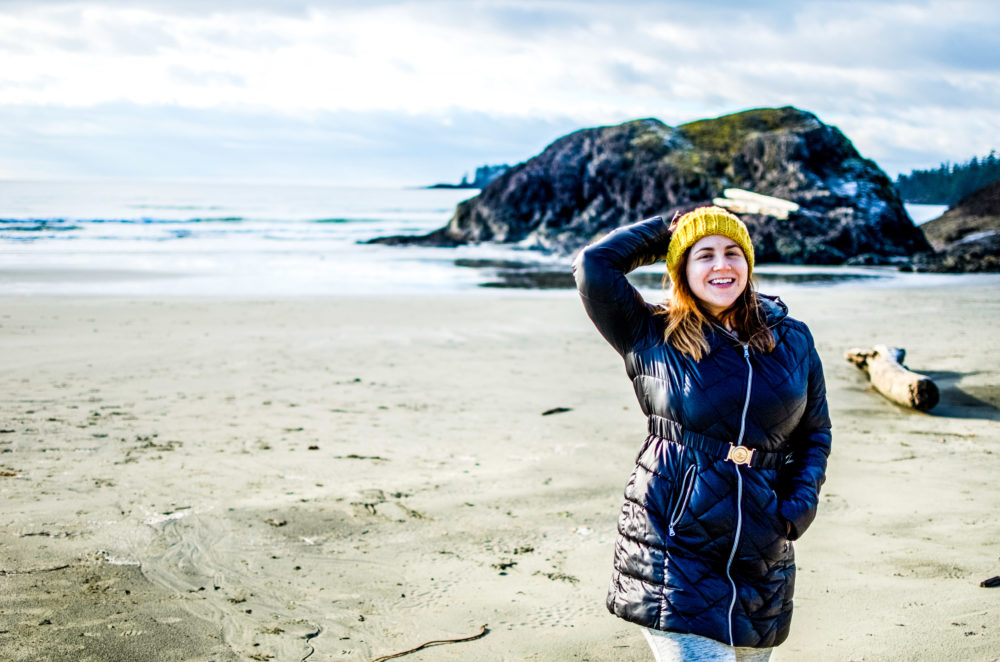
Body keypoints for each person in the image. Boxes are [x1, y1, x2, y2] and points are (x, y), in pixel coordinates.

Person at [572, 206, 832, 661]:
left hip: (762, 546)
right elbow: (595, 265)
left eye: (733, 252)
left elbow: (815, 433)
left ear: (748, 264)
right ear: (681, 269)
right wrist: (668, 231)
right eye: (703, 255)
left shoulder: (793, 339)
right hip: (674, 542)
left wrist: (798, 505)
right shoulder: (651, 332)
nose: (721, 265)